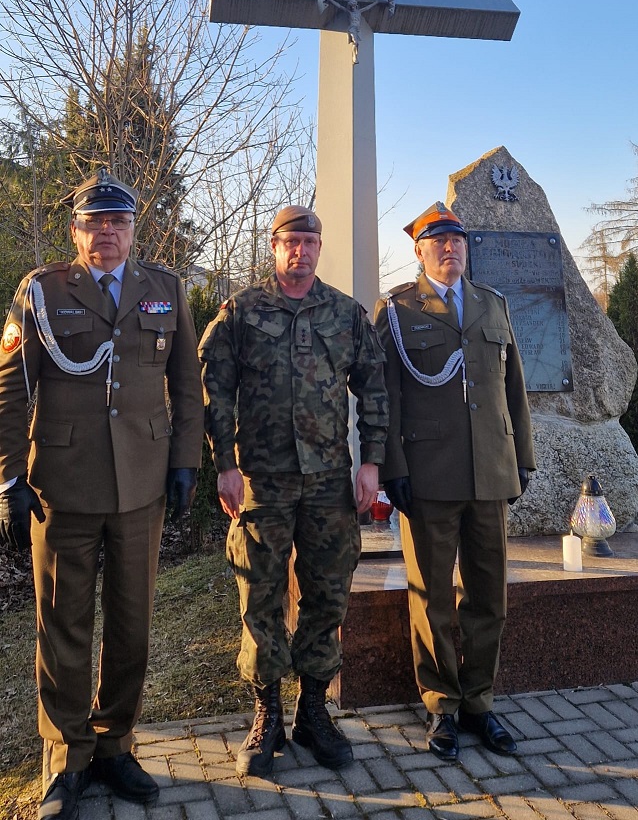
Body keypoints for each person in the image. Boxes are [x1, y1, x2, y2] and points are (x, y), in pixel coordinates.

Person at [0, 169, 204, 820]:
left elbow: (188, 384)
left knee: (133, 625)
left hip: (142, 482)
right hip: (61, 484)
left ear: (133, 230)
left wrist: (185, 464)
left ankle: (115, 745)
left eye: (117, 223)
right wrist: (7, 479)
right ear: (75, 231)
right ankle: (66, 758)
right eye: (94, 224)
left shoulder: (165, 290)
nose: (106, 234)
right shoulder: (40, 291)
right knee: (63, 625)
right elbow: (8, 389)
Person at [199, 205, 388, 778]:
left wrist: (371, 463)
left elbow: (374, 388)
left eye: (309, 240)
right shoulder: (241, 312)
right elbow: (215, 389)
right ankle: (267, 712)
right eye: (290, 242)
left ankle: (313, 711)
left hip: (330, 481)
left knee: (327, 595)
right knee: (260, 599)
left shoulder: (346, 314)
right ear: (274, 247)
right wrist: (225, 465)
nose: (300, 251)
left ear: (319, 247)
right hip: (263, 481)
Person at [374, 202, 536, 762]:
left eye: (457, 240)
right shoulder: (397, 310)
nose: (450, 249)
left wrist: (523, 460)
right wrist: (392, 468)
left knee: (489, 592)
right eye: (438, 241)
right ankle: (441, 704)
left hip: (490, 470)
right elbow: (386, 396)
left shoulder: (494, 305)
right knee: (433, 595)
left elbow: (512, 387)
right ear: (418, 250)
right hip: (429, 476)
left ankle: (479, 702)